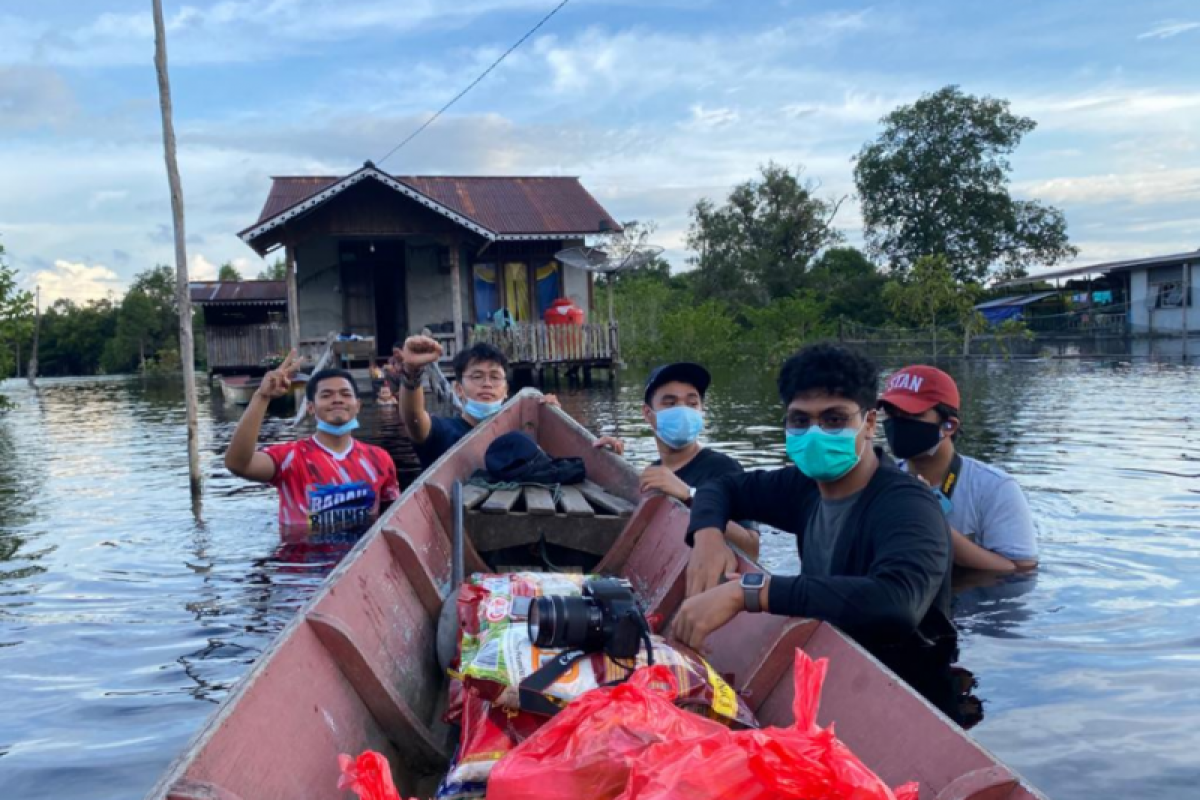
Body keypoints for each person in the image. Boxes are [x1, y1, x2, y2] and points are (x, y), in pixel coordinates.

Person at [671, 343, 958, 717]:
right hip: (832, 670)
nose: (815, 432)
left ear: (869, 423)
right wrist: (707, 536)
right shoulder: (804, 486)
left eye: (835, 419)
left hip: (903, 696)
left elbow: (895, 603)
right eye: (800, 420)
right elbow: (720, 487)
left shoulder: (907, 505)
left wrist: (748, 592)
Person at [878, 365, 1038, 573]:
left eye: (911, 415)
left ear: (949, 426)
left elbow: (1022, 569)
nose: (898, 424)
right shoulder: (881, 483)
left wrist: (929, 518)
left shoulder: (996, 488)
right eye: (892, 414)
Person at [224, 352, 400, 531]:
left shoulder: (379, 458)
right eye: (326, 395)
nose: (337, 399)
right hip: (303, 555)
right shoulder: (290, 457)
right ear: (310, 407)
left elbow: (393, 515)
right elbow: (238, 464)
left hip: (364, 556)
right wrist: (262, 397)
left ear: (358, 405)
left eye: (345, 394)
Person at [636, 362, 759, 559]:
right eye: (670, 403)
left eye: (692, 403)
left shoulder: (723, 469)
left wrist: (691, 496)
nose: (683, 411)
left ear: (701, 410)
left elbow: (752, 549)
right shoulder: (654, 472)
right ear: (648, 413)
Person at [397, 336, 560, 469]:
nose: (487, 383)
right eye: (477, 376)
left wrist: (552, 420)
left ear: (506, 391)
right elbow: (413, 418)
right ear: (458, 389)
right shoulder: (442, 431)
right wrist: (412, 372)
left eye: (495, 377)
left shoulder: (519, 436)